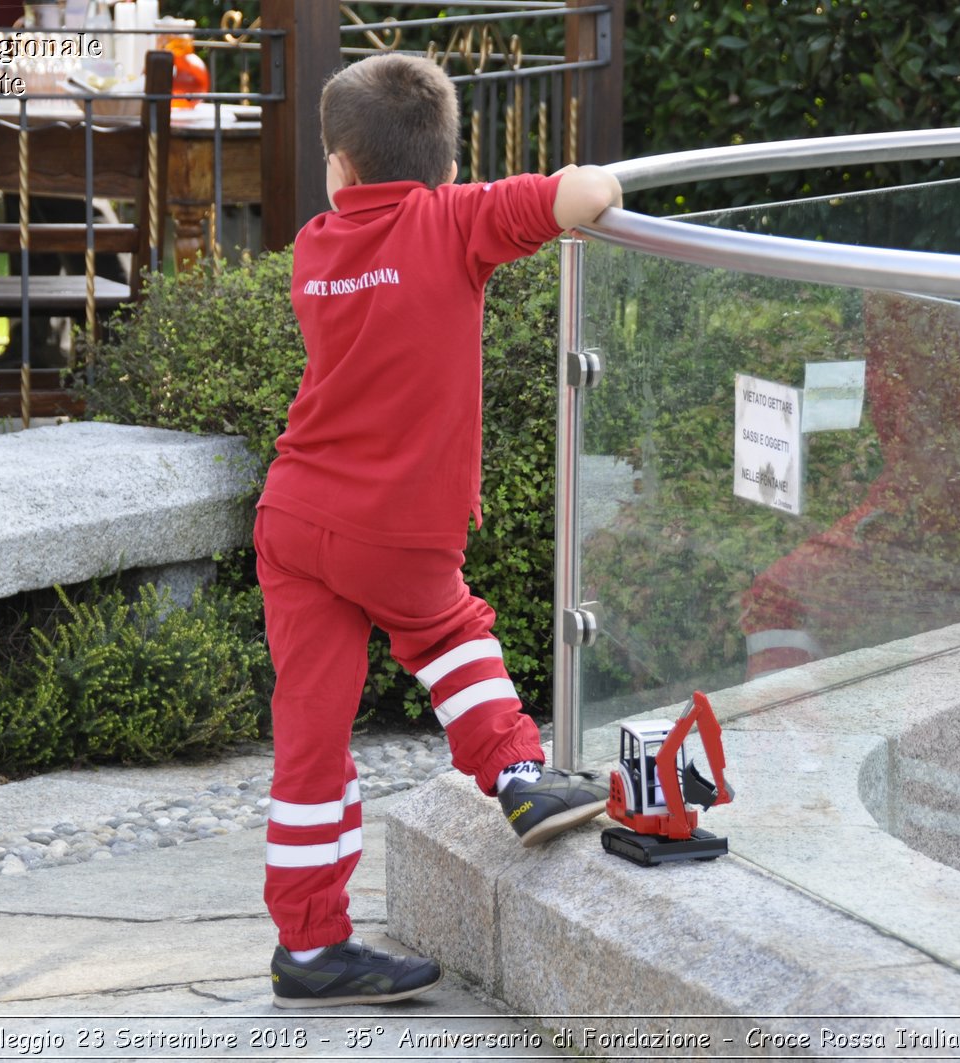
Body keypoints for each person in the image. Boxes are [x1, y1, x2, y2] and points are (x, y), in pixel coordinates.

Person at [253, 53, 622, 1009]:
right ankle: (519, 772)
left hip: (294, 515)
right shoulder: (454, 220)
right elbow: (582, 196)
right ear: (447, 170)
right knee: (448, 630)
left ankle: (310, 944)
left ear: (338, 169)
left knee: (312, 733)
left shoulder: (314, 246)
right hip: (399, 526)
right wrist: (599, 184)